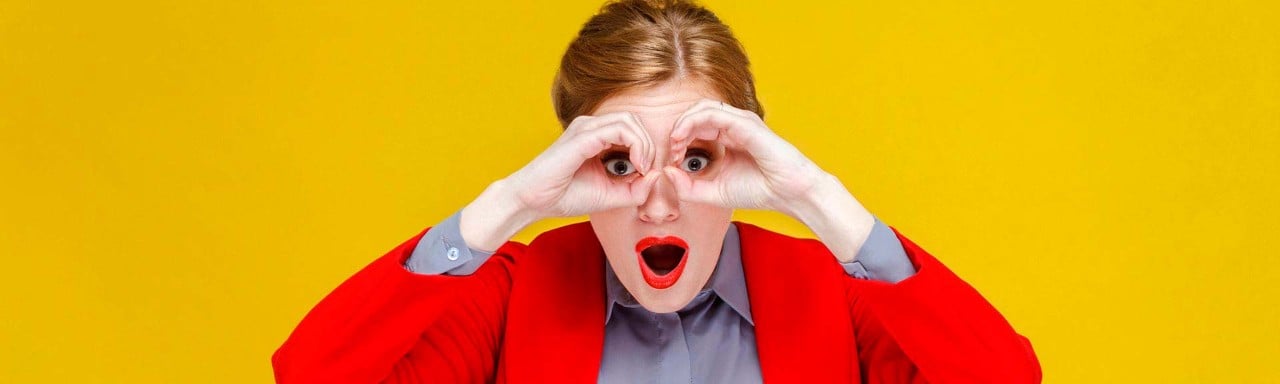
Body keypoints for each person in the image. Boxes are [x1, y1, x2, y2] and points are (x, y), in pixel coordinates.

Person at [272, 0, 1041, 382]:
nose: (659, 203)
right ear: (572, 162)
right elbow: (310, 374)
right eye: (619, 161)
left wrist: (817, 197)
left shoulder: (832, 295)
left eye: (698, 159)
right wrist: (508, 205)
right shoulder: (513, 297)